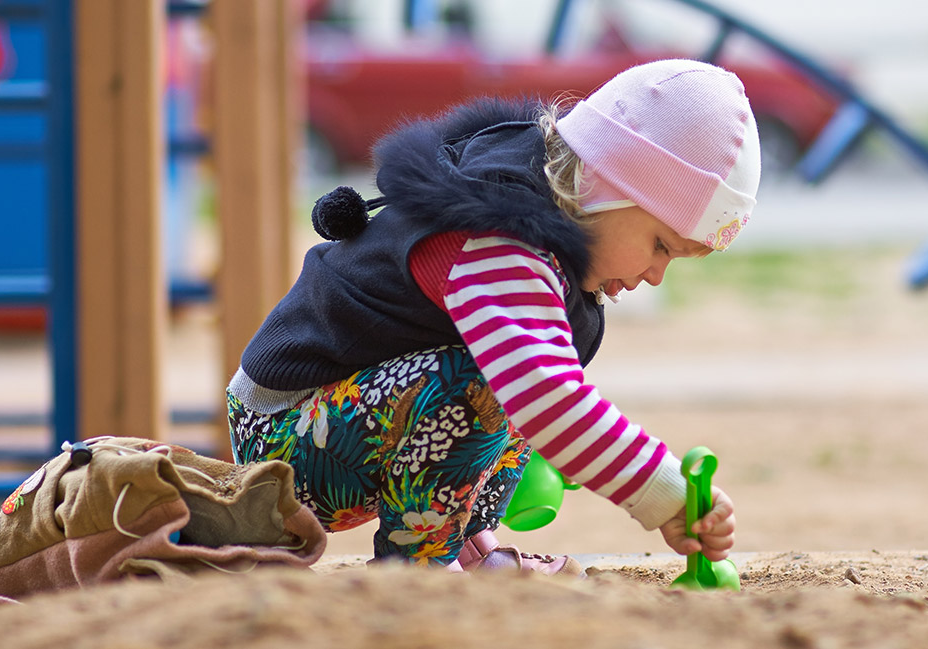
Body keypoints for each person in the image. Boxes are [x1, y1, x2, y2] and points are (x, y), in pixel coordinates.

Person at [227, 59, 758, 576]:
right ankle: (422, 570)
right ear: (602, 184)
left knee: (518, 364)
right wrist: (663, 492)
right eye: (660, 245)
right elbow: (546, 396)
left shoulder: (544, 232)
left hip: (346, 417)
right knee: (499, 379)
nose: (656, 275)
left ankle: (469, 547)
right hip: (280, 443)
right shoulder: (498, 238)